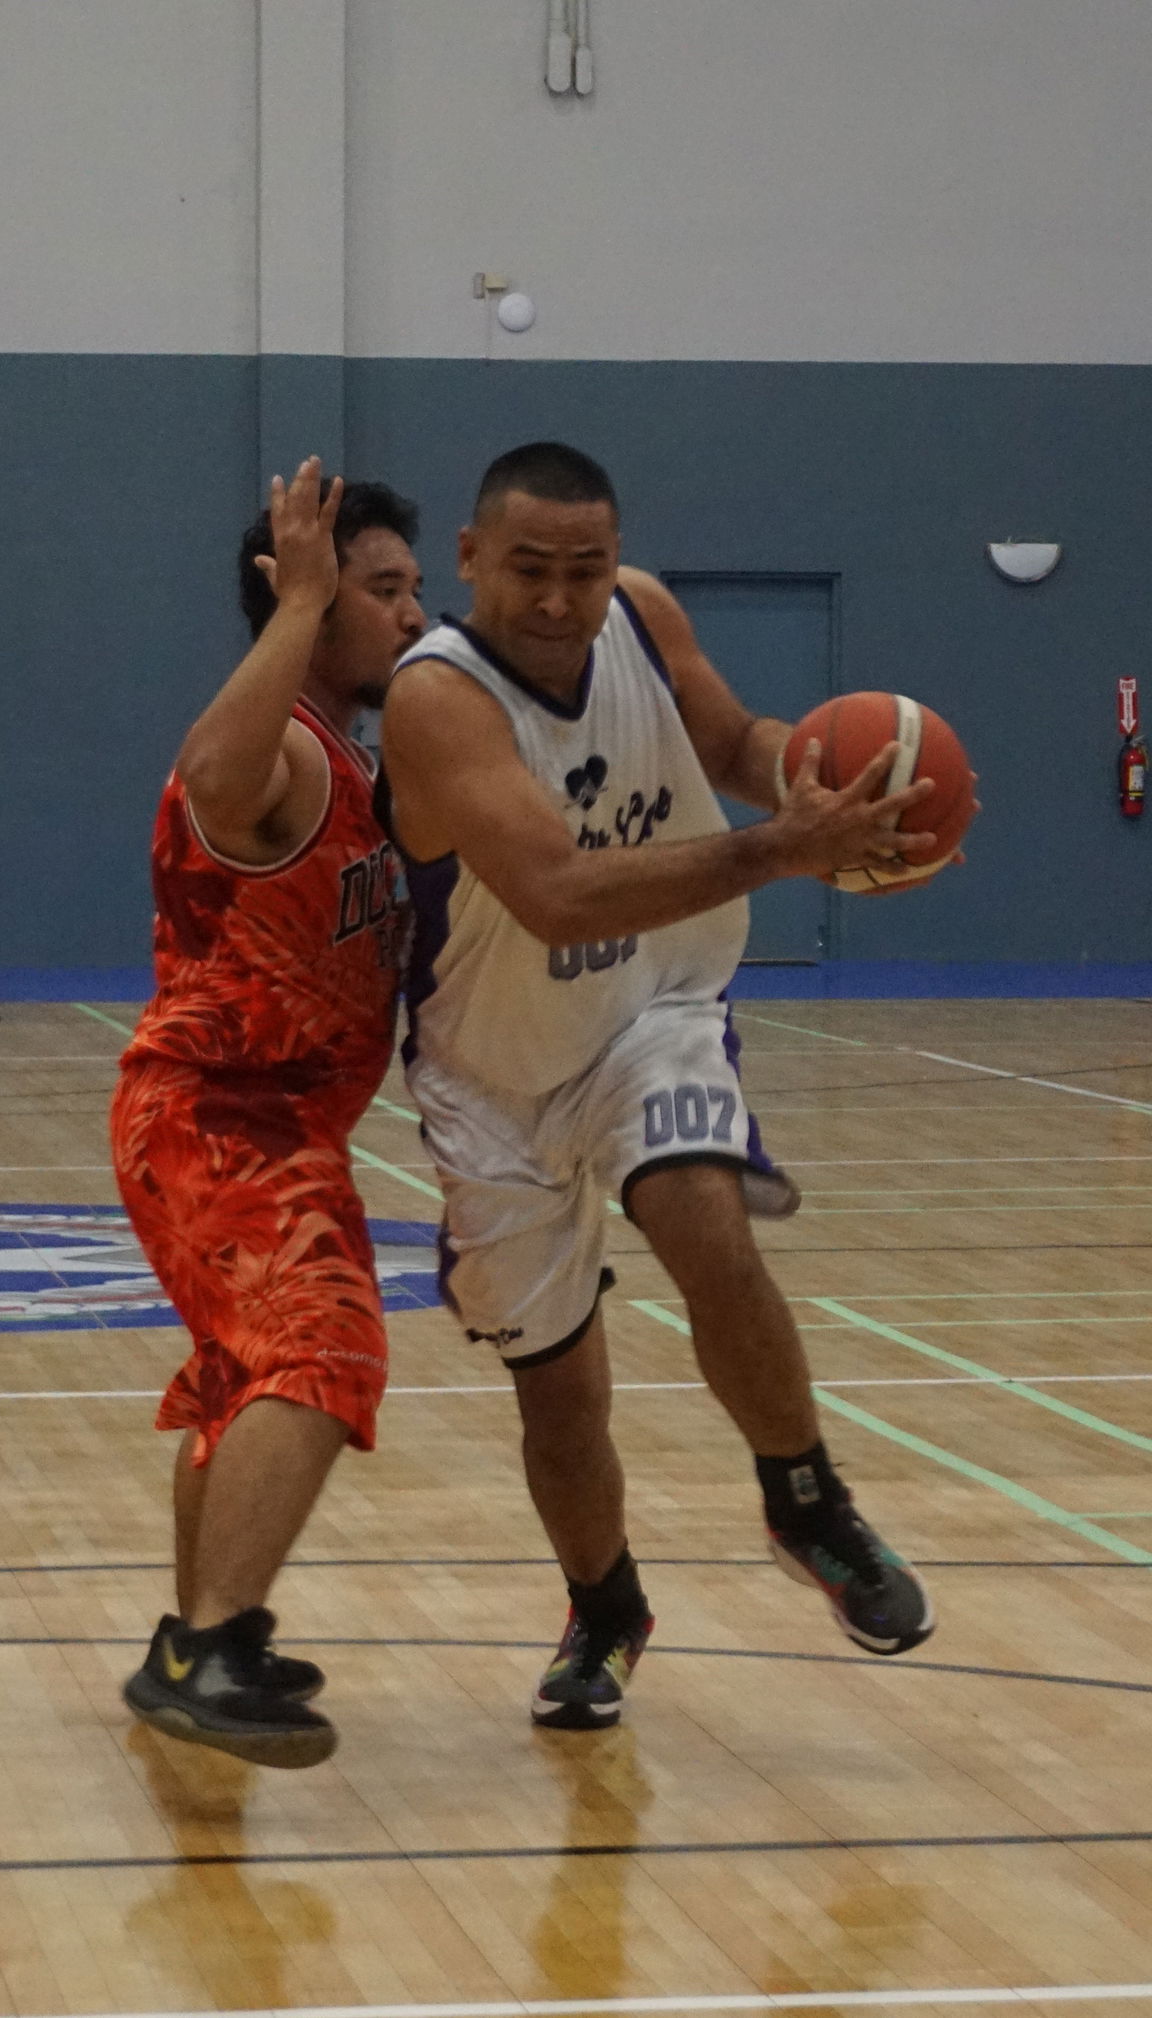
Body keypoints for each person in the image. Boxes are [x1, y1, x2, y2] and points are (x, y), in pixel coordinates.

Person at [378, 440, 945, 1733]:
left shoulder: (647, 615)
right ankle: (606, 1605)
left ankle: (809, 1502)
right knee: (560, 1383)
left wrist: (837, 782)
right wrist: (780, 851)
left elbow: (738, 739)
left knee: (702, 1213)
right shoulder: (439, 699)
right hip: (493, 1074)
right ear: (471, 561)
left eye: (584, 568)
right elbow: (557, 889)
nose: (562, 598)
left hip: (653, 1009)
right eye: (530, 569)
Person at [112, 457, 425, 1768]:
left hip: (286, 1128)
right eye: (385, 588)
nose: (415, 615)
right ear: (303, 592)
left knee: (248, 1375)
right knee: (326, 1345)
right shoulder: (282, 743)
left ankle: (192, 1635)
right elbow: (210, 779)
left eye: (419, 588)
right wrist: (298, 609)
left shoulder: (356, 758)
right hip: (217, 1117)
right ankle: (216, 1640)